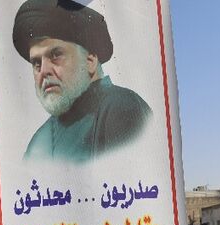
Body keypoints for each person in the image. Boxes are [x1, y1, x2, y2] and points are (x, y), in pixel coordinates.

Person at [13, 0, 152, 163]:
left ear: (90, 61)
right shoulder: (39, 141)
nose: (43, 71)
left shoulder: (121, 107)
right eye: (36, 63)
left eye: (56, 55)